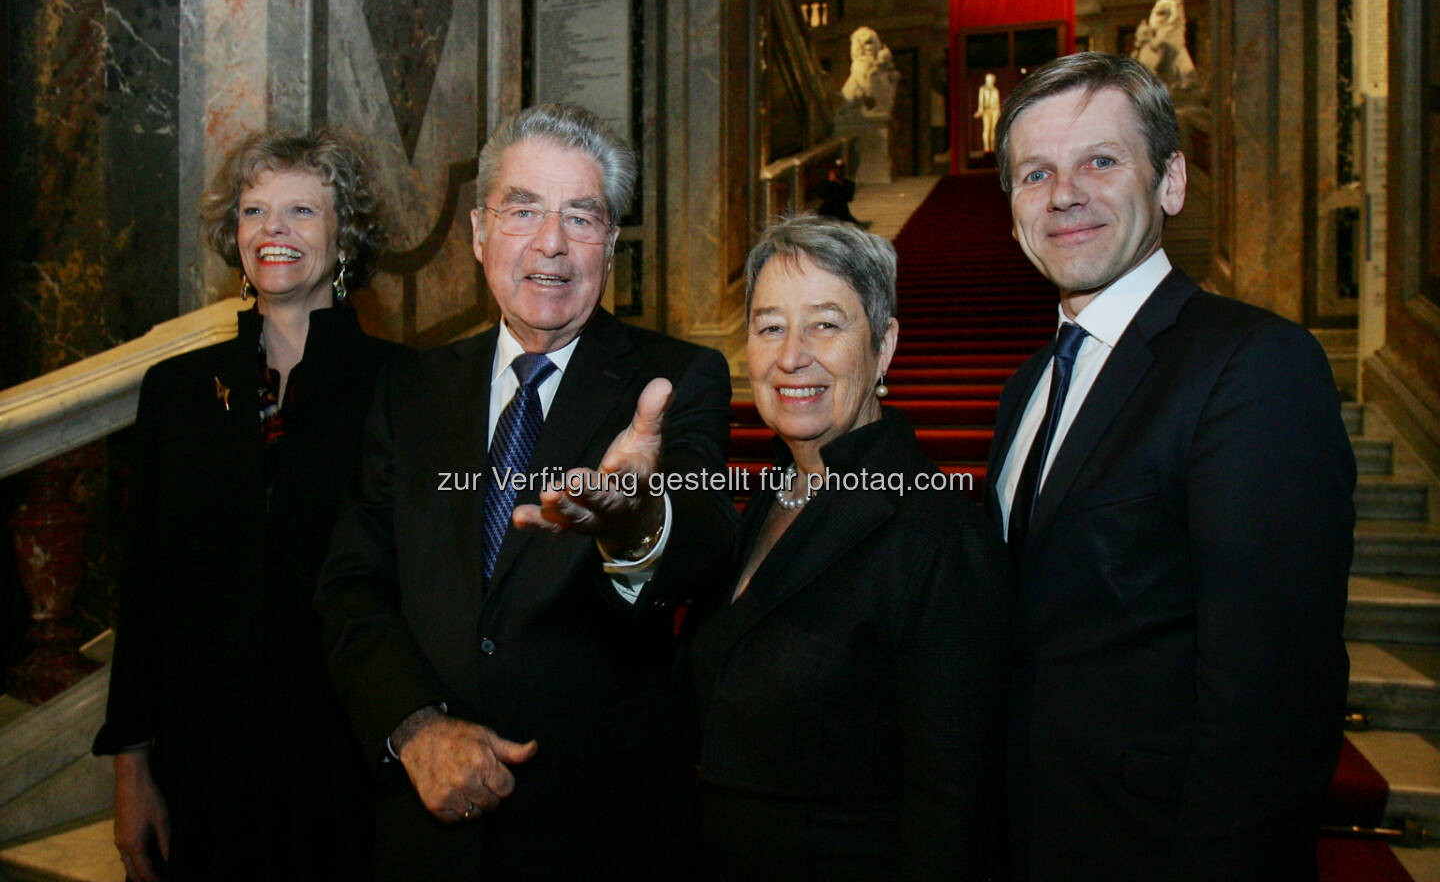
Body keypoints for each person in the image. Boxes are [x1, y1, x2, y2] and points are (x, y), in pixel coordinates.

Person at [315, 102, 736, 881]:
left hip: (598, 832)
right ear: (479, 233)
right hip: (425, 829)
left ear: (611, 245)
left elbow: (706, 535)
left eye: (582, 217)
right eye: (523, 210)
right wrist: (414, 728)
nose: (551, 243)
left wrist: (637, 522)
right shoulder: (408, 390)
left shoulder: (675, 380)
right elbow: (351, 582)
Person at [984, 51, 1354, 880]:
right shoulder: (1027, 390)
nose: (1065, 194)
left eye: (1101, 162)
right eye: (1035, 173)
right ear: (1011, 211)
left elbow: (1272, 705)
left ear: (1172, 182)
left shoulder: (1254, 365)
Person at [94, 130, 406, 881]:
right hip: (203, 768)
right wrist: (131, 769)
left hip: (351, 766)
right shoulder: (174, 391)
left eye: (302, 209)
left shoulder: (408, 388)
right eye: (253, 210)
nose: (273, 230)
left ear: (345, 234)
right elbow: (144, 594)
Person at [683, 215, 1011, 881]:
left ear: (884, 346)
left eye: (825, 324)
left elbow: (955, 806)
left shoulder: (937, 534)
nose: (791, 355)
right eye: (770, 326)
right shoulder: (768, 501)